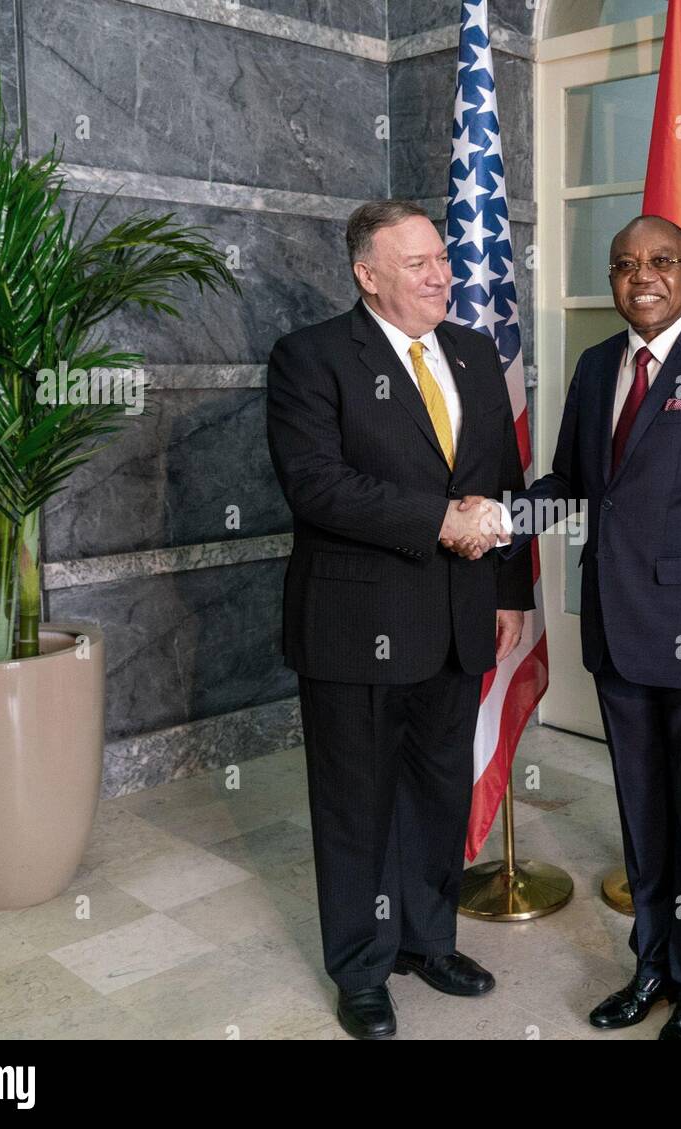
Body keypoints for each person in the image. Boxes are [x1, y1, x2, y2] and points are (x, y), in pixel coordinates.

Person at [463, 214, 681, 1039]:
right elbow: (573, 482)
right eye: (624, 265)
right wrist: (503, 518)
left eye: (659, 262)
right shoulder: (599, 362)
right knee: (642, 810)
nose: (641, 276)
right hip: (616, 633)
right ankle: (652, 966)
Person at [265, 199, 533, 1040]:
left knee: (436, 790)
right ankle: (363, 967)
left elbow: (507, 480)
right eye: (416, 263)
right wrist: (439, 520)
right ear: (367, 274)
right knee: (358, 803)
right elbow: (318, 486)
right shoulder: (310, 358)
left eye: (443, 258)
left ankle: (427, 939)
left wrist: (512, 590)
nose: (441, 273)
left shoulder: (475, 351)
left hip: (459, 619)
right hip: (355, 627)